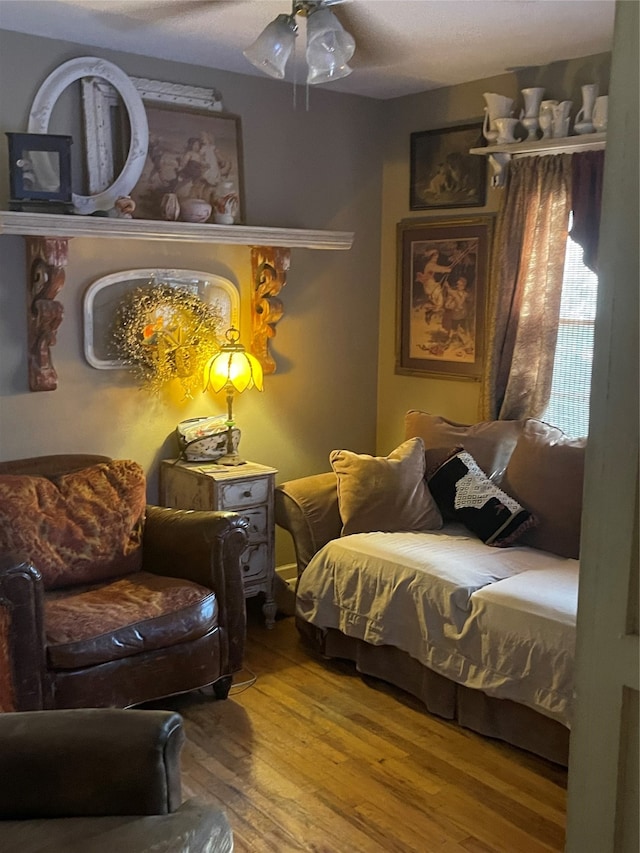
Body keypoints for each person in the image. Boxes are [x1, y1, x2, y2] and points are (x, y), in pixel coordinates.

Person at [415, 249, 452, 325]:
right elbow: (438, 268)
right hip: (430, 285)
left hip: (432, 284)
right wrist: (447, 269)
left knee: (439, 303)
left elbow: (439, 268)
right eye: (435, 256)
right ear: (431, 257)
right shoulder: (430, 265)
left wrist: (446, 269)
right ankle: (429, 312)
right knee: (439, 302)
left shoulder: (431, 264)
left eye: (437, 256)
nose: (436, 258)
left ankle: (429, 313)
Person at [442, 275, 473, 352]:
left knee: (462, 330)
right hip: (456, 315)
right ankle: (449, 342)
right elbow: (447, 305)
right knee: (454, 329)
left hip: (463, 315)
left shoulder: (465, 294)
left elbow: (468, 300)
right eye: (458, 284)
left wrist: (448, 287)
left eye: (461, 285)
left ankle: (466, 345)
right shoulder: (453, 293)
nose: (458, 286)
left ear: (464, 285)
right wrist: (451, 305)